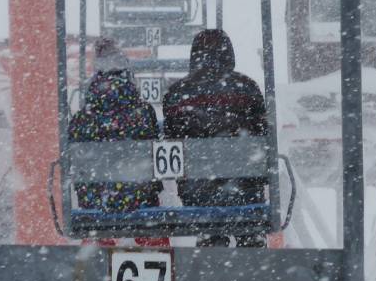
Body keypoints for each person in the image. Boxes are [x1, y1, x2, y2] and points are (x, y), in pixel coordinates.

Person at [163, 29, 268, 248]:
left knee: (209, 231)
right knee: (250, 234)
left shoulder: (177, 93)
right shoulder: (247, 88)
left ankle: (211, 248)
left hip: (199, 194)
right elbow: (262, 136)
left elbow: (173, 142)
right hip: (246, 190)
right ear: (228, 53)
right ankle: (253, 253)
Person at [68, 38, 161, 213]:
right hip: (141, 203)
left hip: (95, 206)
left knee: (96, 232)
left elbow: (75, 155)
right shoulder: (143, 113)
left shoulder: (83, 119)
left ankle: (100, 238)